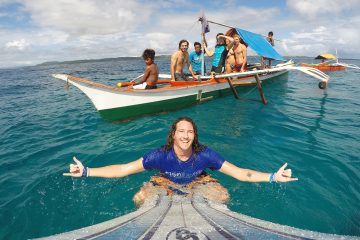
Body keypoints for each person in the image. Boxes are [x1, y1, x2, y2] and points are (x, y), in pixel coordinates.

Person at [64, 117, 298, 205]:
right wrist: (87, 172)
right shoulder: (159, 155)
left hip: (199, 181)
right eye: (181, 131)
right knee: (139, 198)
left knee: (224, 196)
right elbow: (123, 170)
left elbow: (239, 173)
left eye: (190, 132)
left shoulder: (205, 154)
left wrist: (272, 177)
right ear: (173, 135)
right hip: (164, 182)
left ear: (194, 135)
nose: (186, 136)